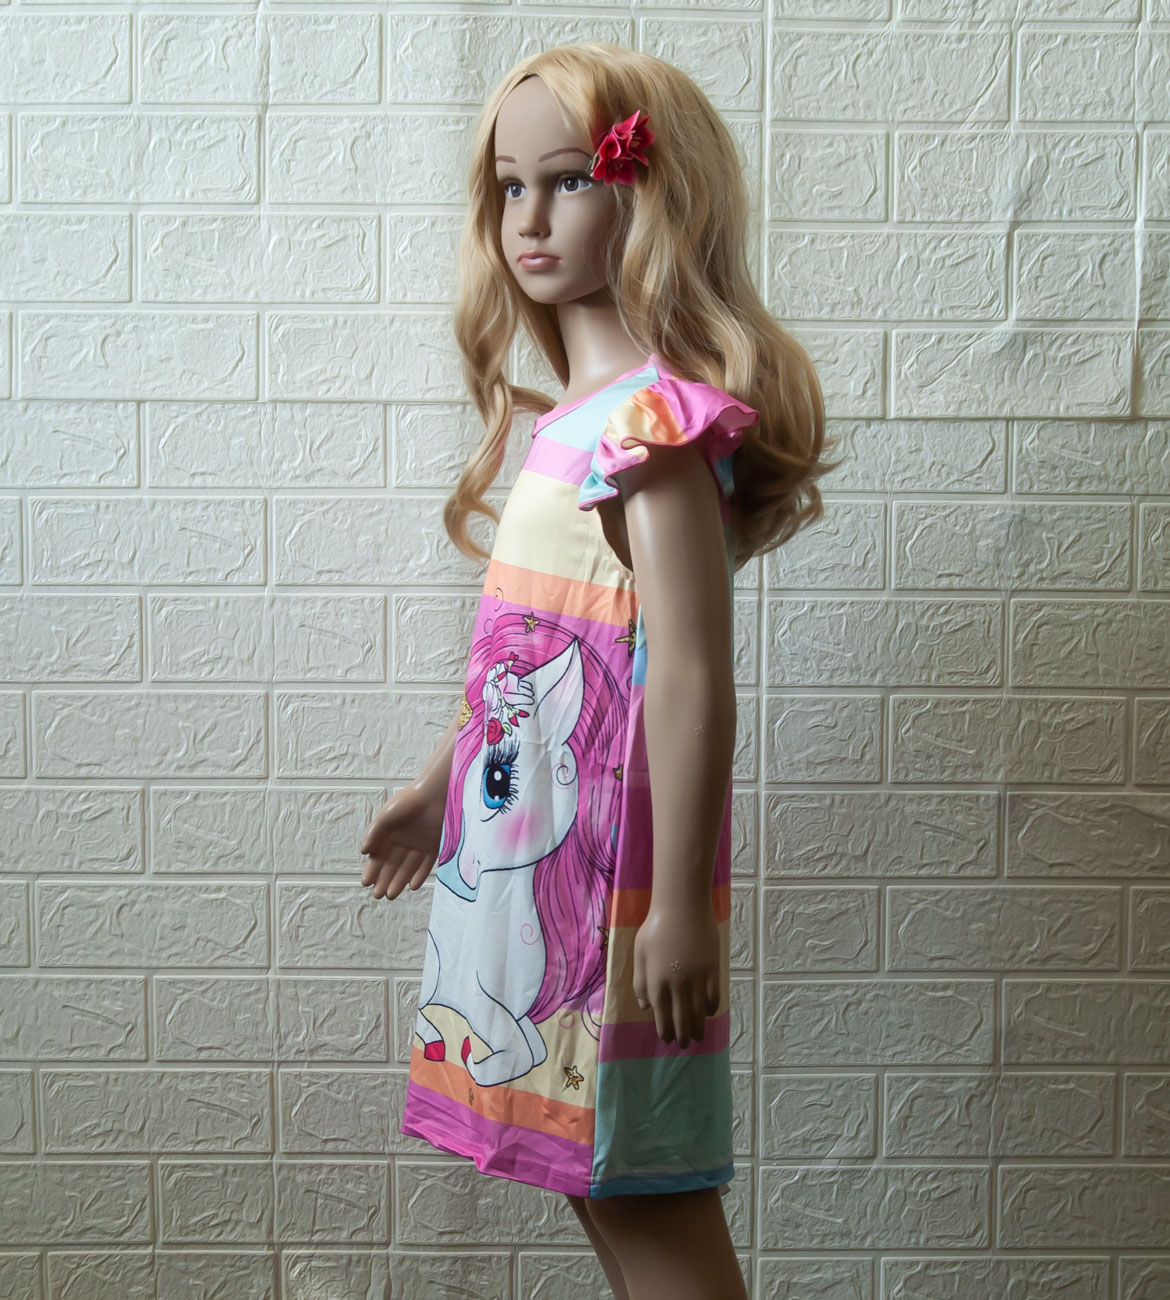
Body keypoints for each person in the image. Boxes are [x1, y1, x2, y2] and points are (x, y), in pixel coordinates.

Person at [360, 42, 838, 1300]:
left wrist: (677, 906)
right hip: (531, 863)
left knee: (649, 1201)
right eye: (510, 187)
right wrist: (440, 784)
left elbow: (688, 676)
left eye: (568, 180)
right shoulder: (571, 426)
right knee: (604, 1188)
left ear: (650, 194)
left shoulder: (651, 430)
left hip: (613, 888)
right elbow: (537, 650)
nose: (529, 218)